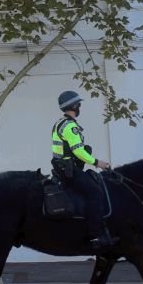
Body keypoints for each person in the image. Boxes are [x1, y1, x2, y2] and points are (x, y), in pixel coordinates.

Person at [51, 90, 114, 252]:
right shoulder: (70, 126)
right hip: (69, 170)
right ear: (73, 106)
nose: (80, 107)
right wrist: (97, 162)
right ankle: (96, 236)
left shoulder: (59, 123)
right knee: (94, 193)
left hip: (63, 167)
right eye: (78, 104)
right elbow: (78, 151)